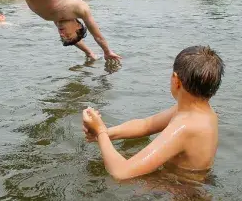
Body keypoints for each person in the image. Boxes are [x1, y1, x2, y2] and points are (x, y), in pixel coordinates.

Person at [82, 46, 224, 180]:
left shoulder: (186, 126)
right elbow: (146, 125)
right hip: (188, 182)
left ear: (176, 80)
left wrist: (100, 131)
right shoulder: (200, 112)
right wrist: (106, 133)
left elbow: (121, 173)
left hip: (184, 192)